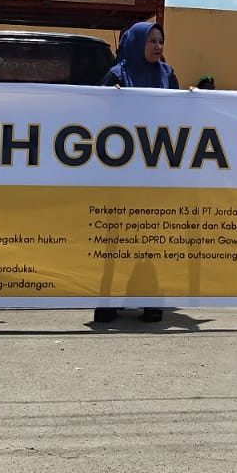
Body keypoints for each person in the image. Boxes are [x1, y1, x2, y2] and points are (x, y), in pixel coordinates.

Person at [99, 21, 178, 324]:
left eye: (161, 41)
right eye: (152, 41)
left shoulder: (167, 76)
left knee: (149, 235)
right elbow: (97, 118)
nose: (159, 47)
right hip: (120, 174)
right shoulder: (116, 77)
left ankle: (149, 299)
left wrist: (194, 99)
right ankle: (107, 300)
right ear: (135, 43)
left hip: (154, 173)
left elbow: (180, 116)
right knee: (114, 237)